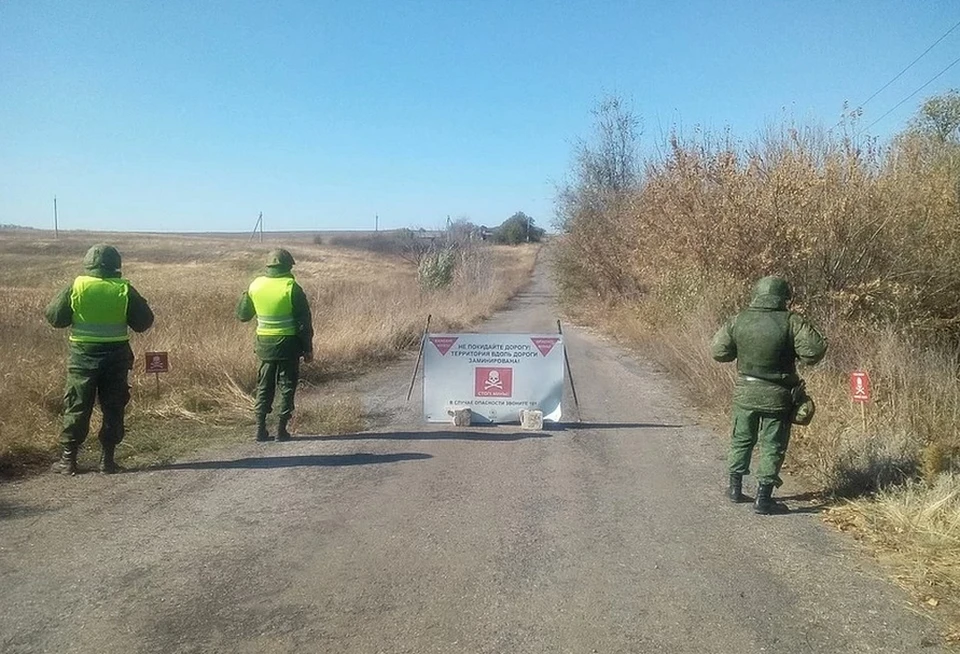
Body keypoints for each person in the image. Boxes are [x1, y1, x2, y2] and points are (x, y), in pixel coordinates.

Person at [711, 276, 826, 514]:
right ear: (784, 296)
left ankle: (735, 489)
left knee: (741, 438)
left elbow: (719, 352)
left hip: (746, 391)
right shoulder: (791, 321)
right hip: (779, 394)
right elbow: (813, 353)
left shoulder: (739, 319)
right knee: (772, 444)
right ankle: (763, 498)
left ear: (756, 294)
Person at [45, 244, 154, 475]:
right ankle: (107, 461)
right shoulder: (124, 289)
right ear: (117, 265)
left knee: (77, 405)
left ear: (88, 265)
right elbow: (144, 322)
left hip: (82, 357)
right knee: (114, 406)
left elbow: (55, 318)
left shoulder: (78, 287)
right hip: (116, 358)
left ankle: (68, 460)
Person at [236, 248, 314, 442]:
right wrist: (308, 348)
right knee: (287, 385)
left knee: (264, 386)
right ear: (289, 266)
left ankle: (260, 429)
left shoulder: (255, 286)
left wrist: (246, 294)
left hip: (264, 345)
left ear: (268, 266)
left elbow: (242, 316)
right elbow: (304, 323)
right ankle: (281, 430)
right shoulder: (292, 287)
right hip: (289, 345)